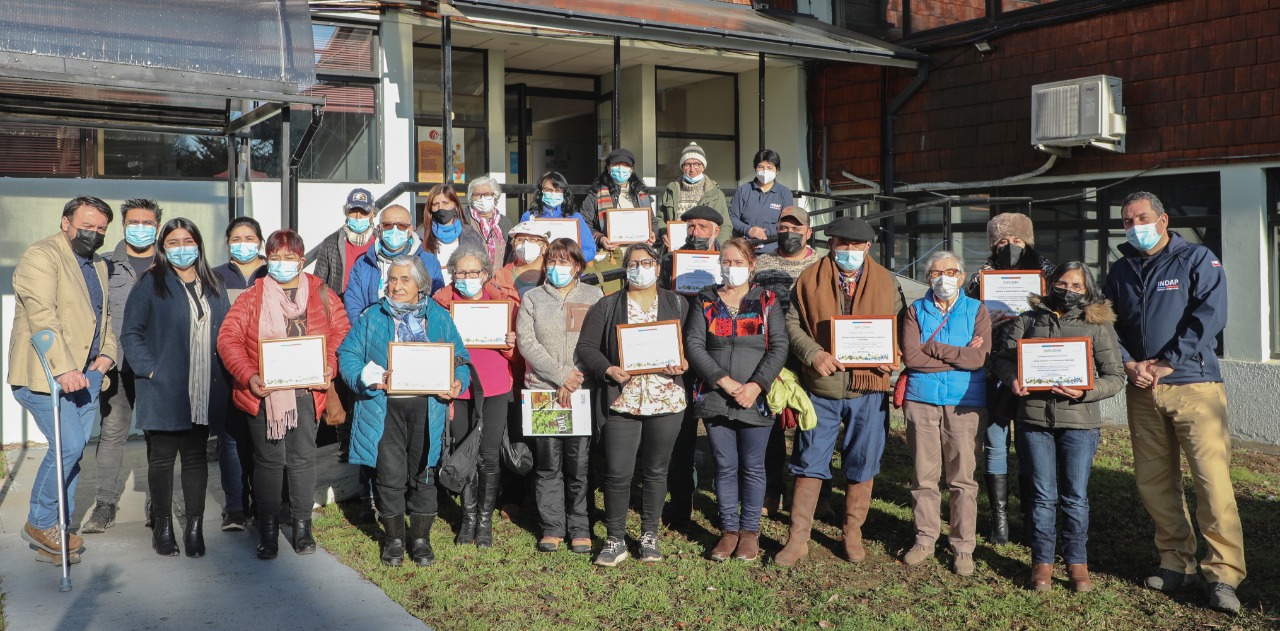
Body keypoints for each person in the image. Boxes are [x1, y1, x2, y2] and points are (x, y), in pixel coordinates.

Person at [1104, 191, 1244, 615]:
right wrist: (1128, 364)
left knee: (1211, 480)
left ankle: (1223, 574)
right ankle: (1174, 561)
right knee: (1154, 480)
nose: (1134, 227)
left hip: (1193, 384)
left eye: (1141, 218)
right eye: (1127, 222)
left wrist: (1168, 361)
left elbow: (1211, 315)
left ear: (1163, 219)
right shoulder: (1121, 269)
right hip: (1142, 389)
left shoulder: (1197, 259)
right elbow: (1108, 322)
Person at [776, 217, 905, 566]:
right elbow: (791, 322)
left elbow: (900, 323)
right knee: (809, 458)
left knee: (863, 458)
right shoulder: (809, 278)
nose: (848, 251)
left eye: (855, 245)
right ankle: (798, 537)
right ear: (831, 245)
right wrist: (813, 353)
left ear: (868, 247)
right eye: (841, 244)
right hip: (822, 385)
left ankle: (852, 533)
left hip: (868, 387)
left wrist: (893, 353)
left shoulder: (886, 281)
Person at [218, 230, 351, 560]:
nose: (281, 264)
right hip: (265, 396)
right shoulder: (252, 298)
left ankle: (302, 526)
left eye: (289, 258)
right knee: (268, 463)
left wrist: (329, 366)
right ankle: (267, 529)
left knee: (303, 461)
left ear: (301, 260)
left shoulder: (322, 294)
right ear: (267, 259)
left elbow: (341, 332)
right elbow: (228, 340)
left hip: (307, 392)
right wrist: (249, 376)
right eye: (275, 258)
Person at [994, 261, 1124, 593]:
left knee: (1075, 497)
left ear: (1088, 289)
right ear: (1051, 285)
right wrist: (1012, 380)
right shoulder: (1028, 319)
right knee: (1041, 496)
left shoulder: (1097, 325)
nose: (1068, 291)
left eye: (1077, 286)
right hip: (1034, 420)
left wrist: (1086, 391)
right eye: (1062, 284)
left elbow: (1115, 376)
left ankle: (1077, 562)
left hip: (1080, 423)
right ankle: (1042, 562)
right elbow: (1004, 359)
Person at [338, 255, 470, 567]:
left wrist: (456, 383)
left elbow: (461, 358)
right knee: (389, 474)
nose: (396, 286)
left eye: (404, 280)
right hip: (383, 408)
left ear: (421, 284)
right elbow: (348, 355)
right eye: (392, 280)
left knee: (423, 472)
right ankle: (395, 539)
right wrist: (369, 377)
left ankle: (421, 539)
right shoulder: (372, 317)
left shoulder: (439, 317)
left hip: (428, 408)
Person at [10, 196, 117, 563]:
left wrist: (105, 358)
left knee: (71, 457)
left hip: (87, 378)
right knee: (68, 446)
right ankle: (40, 522)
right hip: (45, 377)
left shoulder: (99, 264)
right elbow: (43, 316)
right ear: (65, 222)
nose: (94, 233)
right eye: (87, 225)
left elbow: (104, 319)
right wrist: (63, 369)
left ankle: (57, 534)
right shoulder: (40, 256)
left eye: (102, 228)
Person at [120, 218, 231, 557]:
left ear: (198, 244)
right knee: (162, 460)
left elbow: (224, 330)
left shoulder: (214, 282)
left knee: (196, 459)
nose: (182, 247)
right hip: (166, 388)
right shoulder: (151, 282)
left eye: (188, 240)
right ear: (164, 247)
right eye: (174, 242)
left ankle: (195, 528)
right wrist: (151, 370)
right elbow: (130, 334)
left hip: (203, 387)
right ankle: (163, 526)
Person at [577, 244, 690, 566]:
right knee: (617, 473)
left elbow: (693, 346)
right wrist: (607, 369)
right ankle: (614, 539)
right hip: (622, 401)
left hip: (666, 399)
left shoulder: (678, 303)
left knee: (656, 471)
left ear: (658, 267)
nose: (640, 268)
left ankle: (649, 536)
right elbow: (587, 347)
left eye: (647, 262)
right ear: (625, 268)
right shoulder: (607, 305)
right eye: (634, 263)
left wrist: (683, 363)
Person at [684, 238, 788, 562]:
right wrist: (725, 382)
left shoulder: (768, 301)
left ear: (751, 265)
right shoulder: (705, 300)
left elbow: (779, 347)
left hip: (755, 399)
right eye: (726, 262)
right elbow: (694, 344)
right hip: (716, 396)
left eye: (738, 262)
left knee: (754, 467)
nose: (732, 268)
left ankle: (750, 532)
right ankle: (729, 530)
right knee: (725, 465)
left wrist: (756, 386)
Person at [963, 212, 1056, 544]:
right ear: (992, 246)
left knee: (1032, 444)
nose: (1010, 247)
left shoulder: (1051, 275)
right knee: (996, 440)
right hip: (993, 369)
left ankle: (1034, 518)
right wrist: (985, 320)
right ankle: (999, 519)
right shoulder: (978, 279)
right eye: (1002, 242)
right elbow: (964, 320)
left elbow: (1063, 317)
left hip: (1038, 370)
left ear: (1028, 242)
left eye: (1016, 241)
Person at [898, 251, 992, 576]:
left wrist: (933, 348)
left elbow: (978, 359)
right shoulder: (914, 310)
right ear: (927, 278)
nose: (943, 278)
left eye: (950, 271)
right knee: (924, 474)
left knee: (962, 477)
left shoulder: (977, 310)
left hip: (965, 402)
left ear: (962, 276)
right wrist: (959, 353)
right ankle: (925, 538)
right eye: (936, 272)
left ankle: (963, 545)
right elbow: (910, 357)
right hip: (921, 399)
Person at [517, 238, 603, 554]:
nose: (557, 268)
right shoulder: (533, 298)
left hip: (581, 390)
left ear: (578, 266)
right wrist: (559, 375)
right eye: (551, 261)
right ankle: (552, 526)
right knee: (548, 462)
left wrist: (574, 378)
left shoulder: (594, 296)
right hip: (543, 391)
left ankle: (580, 526)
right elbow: (527, 343)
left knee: (579, 463)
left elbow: (597, 340)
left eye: (564, 261)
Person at [432, 243, 520, 547]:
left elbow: (517, 355)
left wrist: (509, 343)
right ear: (452, 274)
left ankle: (485, 520)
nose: (467, 276)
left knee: (488, 454)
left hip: (495, 386)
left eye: (474, 271)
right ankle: (468, 519)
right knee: (462, 451)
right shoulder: (441, 305)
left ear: (485, 273)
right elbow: (433, 346)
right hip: (460, 388)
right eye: (461, 272)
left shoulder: (504, 302)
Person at [83, 198, 160, 535]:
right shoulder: (105, 265)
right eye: (134, 222)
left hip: (156, 368)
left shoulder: (169, 264)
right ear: (124, 225)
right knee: (112, 434)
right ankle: (104, 504)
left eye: (147, 222)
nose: (140, 228)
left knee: (158, 436)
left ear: (157, 225)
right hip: (116, 364)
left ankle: (157, 503)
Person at [751, 206, 820, 515]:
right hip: (768, 350)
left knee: (812, 422)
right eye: (783, 226)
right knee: (771, 423)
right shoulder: (761, 262)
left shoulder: (821, 264)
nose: (789, 232)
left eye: (796, 227)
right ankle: (772, 490)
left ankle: (816, 493)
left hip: (810, 351)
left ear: (808, 232)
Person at [661, 203, 726, 527]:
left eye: (702, 227)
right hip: (679, 357)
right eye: (691, 227)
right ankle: (681, 504)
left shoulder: (727, 261)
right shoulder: (671, 261)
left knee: (723, 431)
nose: (696, 233)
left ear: (716, 230)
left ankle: (726, 505)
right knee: (681, 434)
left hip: (719, 356)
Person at [209, 216, 268, 532]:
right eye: (236, 238)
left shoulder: (273, 273)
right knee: (231, 441)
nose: (243, 244)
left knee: (264, 441)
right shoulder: (214, 277)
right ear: (227, 242)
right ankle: (235, 507)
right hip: (225, 370)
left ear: (260, 241)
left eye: (249, 237)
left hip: (268, 371)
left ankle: (264, 502)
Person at [344, 203, 445, 324]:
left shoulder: (429, 262)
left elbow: (438, 301)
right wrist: (366, 332)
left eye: (401, 226)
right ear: (379, 229)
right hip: (373, 333)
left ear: (410, 230)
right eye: (388, 225)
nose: (394, 230)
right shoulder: (363, 263)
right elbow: (353, 304)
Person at [580, 148, 658, 253]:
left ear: (632, 169)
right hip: (612, 255)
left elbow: (652, 221)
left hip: (638, 252)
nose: (621, 168)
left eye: (625, 165)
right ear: (608, 168)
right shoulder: (596, 194)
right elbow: (583, 223)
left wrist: (653, 233)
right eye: (616, 164)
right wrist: (601, 239)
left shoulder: (641, 194)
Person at [312, 188, 379, 297]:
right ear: (346, 213)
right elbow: (318, 282)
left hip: (373, 309)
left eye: (364, 212)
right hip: (339, 309)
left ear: (373, 214)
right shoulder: (331, 243)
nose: (358, 216)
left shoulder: (380, 242)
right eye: (353, 211)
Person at [658, 142, 728, 246]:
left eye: (696, 164)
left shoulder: (716, 194)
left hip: (705, 249)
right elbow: (660, 218)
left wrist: (716, 248)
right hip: (676, 248)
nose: (692, 169)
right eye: (687, 164)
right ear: (682, 167)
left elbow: (726, 226)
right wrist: (664, 232)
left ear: (703, 166)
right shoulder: (671, 190)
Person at [728, 149, 794, 254]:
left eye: (770, 167)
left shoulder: (784, 193)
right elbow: (732, 217)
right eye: (760, 167)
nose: (765, 171)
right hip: (744, 248)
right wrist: (748, 230)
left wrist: (763, 233)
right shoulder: (743, 190)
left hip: (773, 250)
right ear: (755, 169)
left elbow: (786, 222)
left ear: (777, 170)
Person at [523, 171, 598, 262]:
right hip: (538, 271)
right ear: (541, 191)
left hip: (570, 271)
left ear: (564, 193)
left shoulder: (575, 217)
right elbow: (521, 248)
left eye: (558, 190)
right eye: (549, 190)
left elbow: (590, 249)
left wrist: (570, 258)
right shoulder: (529, 217)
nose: (553, 194)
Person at [419, 183, 485, 285]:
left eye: (445, 203)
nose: (441, 208)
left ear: (456, 206)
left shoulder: (472, 237)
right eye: (435, 204)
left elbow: (484, 270)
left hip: (462, 295)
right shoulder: (420, 237)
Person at [462, 176, 513, 270]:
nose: (482, 198)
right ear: (471, 197)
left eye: (487, 194)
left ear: (495, 197)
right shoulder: (462, 220)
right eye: (477, 194)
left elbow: (511, 254)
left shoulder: (505, 222)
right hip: (472, 278)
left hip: (499, 280)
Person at [499, 221, 551, 296]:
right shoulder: (501, 276)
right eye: (520, 240)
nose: (525, 244)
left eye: (532, 239)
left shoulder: (552, 275)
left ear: (544, 247)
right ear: (514, 245)